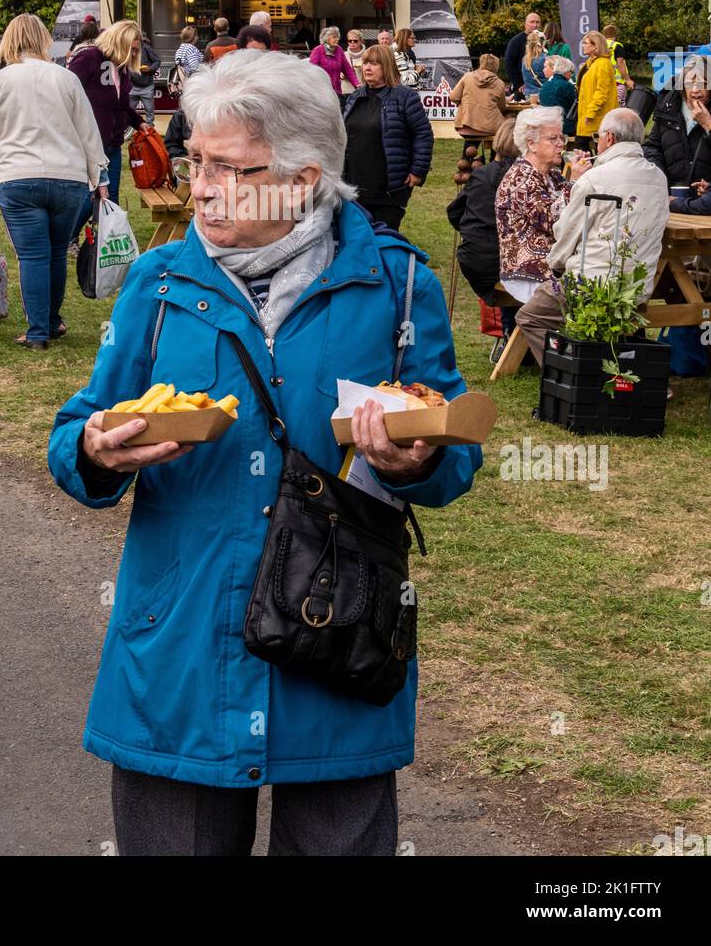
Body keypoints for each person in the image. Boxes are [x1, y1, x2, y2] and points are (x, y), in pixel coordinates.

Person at [48, 49, 481, 858]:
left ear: (304, 178)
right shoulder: (157, 284)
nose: (201, 187)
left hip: (339, 636)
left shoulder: (395, 285)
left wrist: (414, 461)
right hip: (179, 642)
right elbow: (72, 434)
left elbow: (453, 451)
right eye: (196, 163)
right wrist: (97, 450)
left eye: (232, 169)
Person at [0, 14, 108, 350]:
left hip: (17, 177)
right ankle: (51, 320)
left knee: (33, 256)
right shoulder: (66, 78)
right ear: (45, 39)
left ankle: (37, 332)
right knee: (57, 252)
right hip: (68, 177)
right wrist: (99, 174)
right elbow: (88, 130)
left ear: (9, 40)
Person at [516, 109, 668, 365]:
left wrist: (555, 266)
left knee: (530, 317)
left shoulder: (596, 179)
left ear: (608, 137)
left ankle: (570, 371)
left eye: (598, 136)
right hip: (637, 289)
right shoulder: (659, 178)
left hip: (593, 286)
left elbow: (565, 234)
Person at [342, 42, 433, 231]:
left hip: (389, 186)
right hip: (356, 184)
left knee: (385, 239)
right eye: (365, 63)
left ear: (387, 66)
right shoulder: (354, 97)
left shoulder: (405, 97)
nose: (367, 68)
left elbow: (423, 134)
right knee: (359, 240)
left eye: (374, 64)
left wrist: (417, 170)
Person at [446, 117, 519, 333]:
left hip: (477, 257)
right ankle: (512, 331)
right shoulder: (524, 178)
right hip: (493, 261)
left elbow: (455, 213)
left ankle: (511, 330)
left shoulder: (482, 174)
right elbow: (456, 213)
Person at [495, 106, 570, 307]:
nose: (560, 144)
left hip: (552, 266)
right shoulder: (521, 179)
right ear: (531, 144)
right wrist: (577, 182)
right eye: (553, 139)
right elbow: (556, 221)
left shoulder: (551, 175)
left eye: (561, 138)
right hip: (528, 273)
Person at [67, 20, 146, 204]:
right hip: (87, 147)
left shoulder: (121, 67)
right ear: (119, 42)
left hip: (113, 147)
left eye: (136, 50)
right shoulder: (89, 58)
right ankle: (72, 234)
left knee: (110, 201)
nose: (134, 54)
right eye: (131, 49)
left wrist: (139, 122)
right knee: (86, 202)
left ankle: (106, 234)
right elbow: (66, 92)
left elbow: (121, 105)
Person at [643, 54, 711, 190]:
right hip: (671, 194)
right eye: (690, 83)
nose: (696, 90)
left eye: (703, 84)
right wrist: (660, 177)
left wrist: (708, 124)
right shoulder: (668, 107)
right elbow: (652, 147)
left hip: (706, 200)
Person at [574, 30, 617, 151]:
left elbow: (602, 92)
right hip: (587, 118)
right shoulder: (591, 64)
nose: (583, 45)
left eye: (586, 43)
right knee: (582, 150)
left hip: (596, 118)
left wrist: (590, 113)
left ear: (595, 46)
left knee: (583, 149)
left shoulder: (603, 64)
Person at [449, 54, 507, 139]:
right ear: (496, 66)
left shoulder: (467, 76)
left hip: (466, 125)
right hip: (491, 127)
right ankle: (494, 152)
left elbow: (453, 97)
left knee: (470, 144)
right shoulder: (500, 83)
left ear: (481, 64)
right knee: (502, 132)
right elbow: (502, 108)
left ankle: (468, 150)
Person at [309, 26, 360, 95]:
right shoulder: (318, 50)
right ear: (326, 38)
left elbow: (347, 69)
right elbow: (311, 71)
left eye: (337, 37)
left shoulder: (339, 50)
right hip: (322, 91)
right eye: (334, 37)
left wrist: (357, 84)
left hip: (336, 91)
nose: (337, 39)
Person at [538, 55, 577, 137]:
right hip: (564, 128)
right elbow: (574, 106)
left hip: (547, 126)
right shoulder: (568, 86)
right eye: (571, 72)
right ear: (565, 72)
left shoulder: (545, 85)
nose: (571, 75)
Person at [503, 12, 541, 97]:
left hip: (541, 86)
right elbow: (509, 64)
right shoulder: (516, 41)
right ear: (525, 24)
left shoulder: (543, 40)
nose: (535, 25)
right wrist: (519, 84)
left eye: (537, 22)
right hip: (522, 88)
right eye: (532, 22)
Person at [130, 32, 161, 125]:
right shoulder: (127, 48)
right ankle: (127, 132)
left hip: (147, 86)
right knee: (129, 112)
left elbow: (157, 61)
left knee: (150, 113)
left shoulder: (146, 48)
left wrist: (150, 69)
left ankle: (150, 133)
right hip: (132, 86)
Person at [602, 24, 633, 106]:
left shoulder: (600, 46)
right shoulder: (617, 46)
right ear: (615, 35)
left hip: (603, 83)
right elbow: (620, 64)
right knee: (618, 107)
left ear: (603, 35)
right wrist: (628, 80)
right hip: (617, 84)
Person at [521, 30, 546, 101]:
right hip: (543, 95)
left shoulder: (525, 60)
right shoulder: (545, 59)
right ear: (541, 43)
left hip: (529, 96)